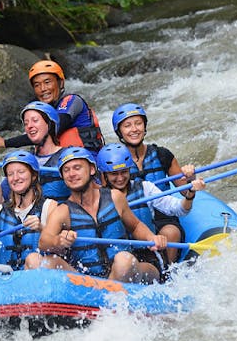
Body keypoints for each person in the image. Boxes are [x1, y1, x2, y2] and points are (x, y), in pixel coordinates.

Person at [31, 147, 167, 284]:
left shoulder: (115, 197)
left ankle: (108, 292)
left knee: (124, 260)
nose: (71, 174)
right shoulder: (62, 211)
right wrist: (58, 241)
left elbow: (136, 226)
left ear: (91, 169)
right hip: (88, 281)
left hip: (126, 272)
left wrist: (151, 237)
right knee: (47, 262)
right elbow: (44, 242)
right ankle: (103, 293)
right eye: (66, 170)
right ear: (62, 176)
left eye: (77, 167)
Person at [96, 143, 205, 275]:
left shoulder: (145, 188)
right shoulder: (97, 198)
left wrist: (190, 194)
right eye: (114, 174)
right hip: (115, 258)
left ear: (129, 170)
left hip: (147, 256)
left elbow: (179, 209)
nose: (120, 178)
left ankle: (165, 275)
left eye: (124, 172)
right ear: (104, 175)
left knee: (130, 266)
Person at [112, 102, 199, 263]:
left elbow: (185, 191)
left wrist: (190, 179)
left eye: (138, 123)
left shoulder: (162, 155)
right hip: (132, 216)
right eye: (127, 126)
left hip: (163, 215)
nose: (134, 129)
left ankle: (167, 272)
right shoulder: (114, 161)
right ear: (120, 132)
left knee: (171, 233)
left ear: (145, 127)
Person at [0, 59, 105, 156]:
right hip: (61, 165)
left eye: (47, 82)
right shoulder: (40, 111)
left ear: (60, 83)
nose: (43, 89)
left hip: (86, 162)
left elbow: (52, 129)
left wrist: (5, 142)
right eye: (37, 85)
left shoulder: (72, 101)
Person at [0, 150, 58, 270]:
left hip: (37, 277)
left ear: (34, 176)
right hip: (7, 279)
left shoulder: (49, 207)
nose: (16, 178)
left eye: (21, 172)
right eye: (10, 174)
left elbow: (60, 246)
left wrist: (42, 228)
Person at [0, 101, 69, 206]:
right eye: (26, 123)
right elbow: (0, 200)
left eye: (35, 120)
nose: (29, 126)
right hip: (29, 219)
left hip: (60, 217)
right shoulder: (22, 160)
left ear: (50, 124)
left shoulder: (68, 157)